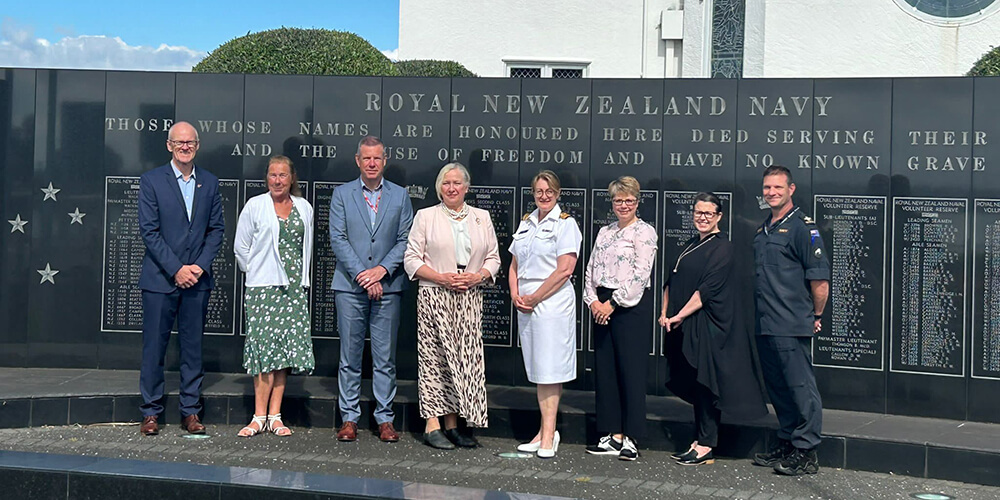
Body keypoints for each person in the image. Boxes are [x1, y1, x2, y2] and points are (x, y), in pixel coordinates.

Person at [659, 193, 766, 466]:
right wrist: (664, 313)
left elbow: (706, 291)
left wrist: (679, 315)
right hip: (683, 325)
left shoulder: (723, 248)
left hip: (708, 328)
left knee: (707, 386)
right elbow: (670, 280)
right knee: (697, 386)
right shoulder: (690, 244)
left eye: (708, 213)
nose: (702, 218)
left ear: (719, 216)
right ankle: (698, 440)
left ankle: (706, 444)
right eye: (698, 212)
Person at [403, 162, 501, 450]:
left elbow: (493, 258)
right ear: (439, 188)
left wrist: (477, 276)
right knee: (435, 360)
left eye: (457, 183)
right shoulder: (426, 216)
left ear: (467, 187)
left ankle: (454, 424)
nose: (451, 188)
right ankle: (432, 424)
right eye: (446, 183)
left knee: (463, 361)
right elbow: (411, 258)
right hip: (435, 294)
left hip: (469, 296)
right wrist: (440, 277)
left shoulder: (482, 217)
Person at [137, 121, 225, 436]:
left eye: (190, 142)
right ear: (169, 145)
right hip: (161, 280)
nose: (185, 147)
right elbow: (149, 231)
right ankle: (151, 412)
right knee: (154, 349)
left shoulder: (210, 183)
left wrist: (198, 267)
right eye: (179, 142)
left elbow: (216, 231)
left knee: (192, 349)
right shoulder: (151, 181)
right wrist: (177, 269)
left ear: (197, 146)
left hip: (197, 281)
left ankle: (190, 412)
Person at [329, 136, 414, 443]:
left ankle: (385, 418)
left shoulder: (400, 196)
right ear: (358, 161)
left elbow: (405, 240)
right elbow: (338, 239)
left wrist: (381, 271)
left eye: (377, 158)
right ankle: (349, 418)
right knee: (350, 356)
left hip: (388, 287)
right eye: (366, 159)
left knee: (385, 357)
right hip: (350, 287)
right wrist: (365, 276)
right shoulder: (342, 195)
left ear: (385, 160)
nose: (372, 163)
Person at [751, 166, 830, 476]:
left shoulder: (802, 229)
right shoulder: (764, 229)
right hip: (766, 322)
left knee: (800, 388)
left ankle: (806, 451)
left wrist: (816, 315)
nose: (771, 192)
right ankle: (787, 441)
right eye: (767, 188)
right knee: (779, 388)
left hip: (790, 322)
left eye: (777, 187)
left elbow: (820, 281)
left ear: (791, 189)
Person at [234, 155, 316, 437]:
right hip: (263, 289)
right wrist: (258, 272)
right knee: (263, 353)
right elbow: (240, 248)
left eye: (282, 175)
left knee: (283, 353)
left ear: (291, 178)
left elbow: (305, 248)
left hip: (293, 289)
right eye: (272, 175)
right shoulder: (255, 206)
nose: (277, 180)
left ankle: (275, 416)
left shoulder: (304, 208)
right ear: (266, 178)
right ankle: (258, 417)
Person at [582, 176, 657, 461]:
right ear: (611, 203)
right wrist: (594, 302)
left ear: (637, 202)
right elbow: (590, 270)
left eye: (628, 200)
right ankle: (612, 434)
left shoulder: (645, 232)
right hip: (601, 307)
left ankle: (631, 436)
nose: (623, 205)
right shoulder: (605, 232)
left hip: (629, 308)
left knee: (631, 372)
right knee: (606, 372)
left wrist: (612, 304)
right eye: (618, 200)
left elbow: (641, 274)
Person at [509, 170, 582, 459]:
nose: (544, 196)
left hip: (551, 303)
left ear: (558, 193)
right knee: (539, 369)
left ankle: (549, 435)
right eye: (539, 191)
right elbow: (514, 263)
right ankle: (542, 432)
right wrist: (515, 293)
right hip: (526, 302)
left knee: (551, 370)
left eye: (549, 191)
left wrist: (536, 296)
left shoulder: (566, 224)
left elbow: (565, 269)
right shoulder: (527, 222)